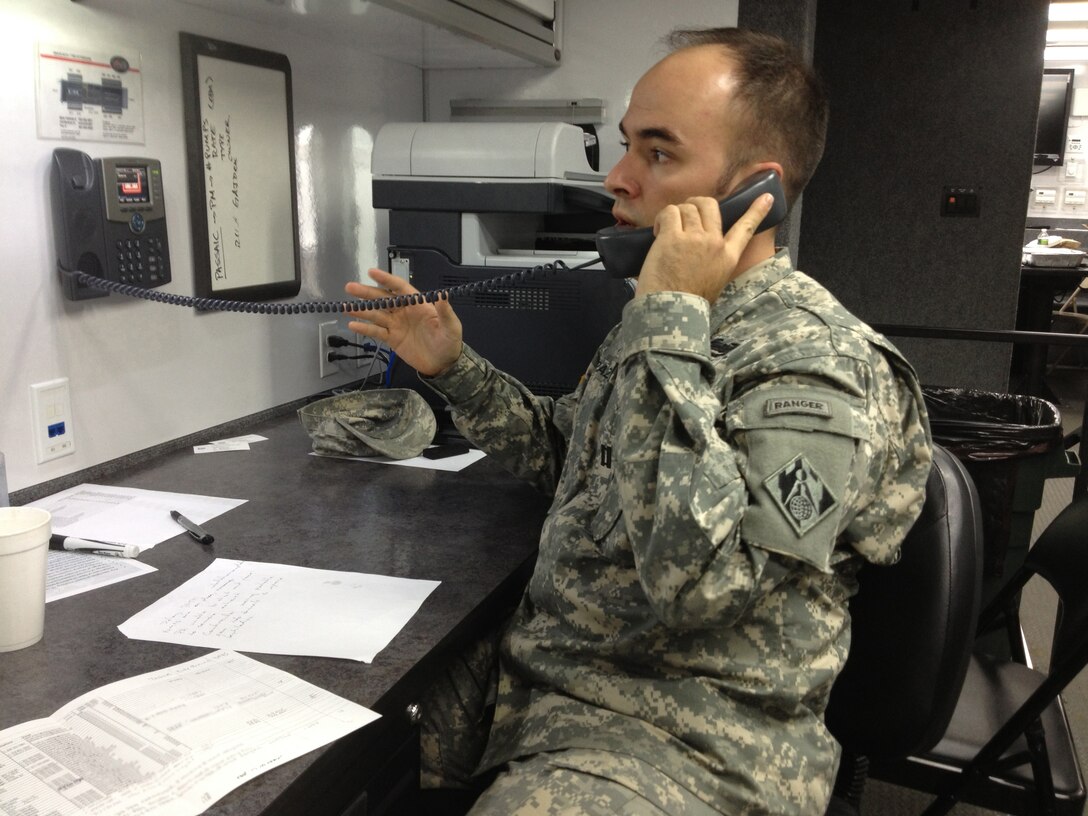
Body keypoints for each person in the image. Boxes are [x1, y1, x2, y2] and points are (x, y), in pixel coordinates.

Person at [345, 27, 932, 816]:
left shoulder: (815, 367)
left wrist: (667, 315)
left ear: (757, 193)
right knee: (315, 739)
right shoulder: (668, 324)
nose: (616, 180)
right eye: (625, 146)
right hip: (551, 683)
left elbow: (699, 587)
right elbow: (580, 465)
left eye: (658, 154)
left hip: (682, 744)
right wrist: (454, 368)